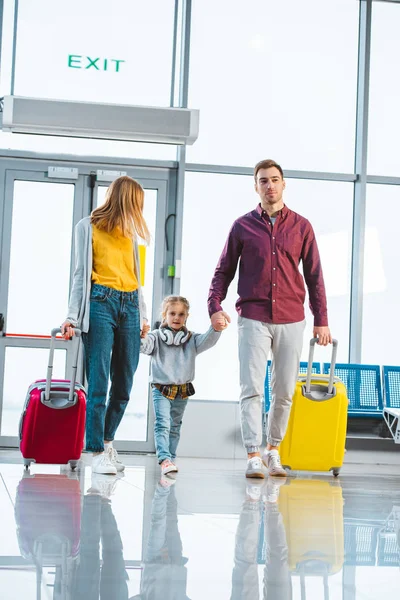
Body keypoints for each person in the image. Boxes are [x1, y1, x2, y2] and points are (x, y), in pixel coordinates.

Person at [208, 159, 332, 479]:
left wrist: (322, 320)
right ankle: (253, 453)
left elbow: (315, 275)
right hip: (253, 316)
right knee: (251, 387)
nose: (270, 185)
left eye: (275, 180)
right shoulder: (242, 226)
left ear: (284, 184)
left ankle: (273, 449)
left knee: (285, 389)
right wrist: (214, 304)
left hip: (292, 317)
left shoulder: (302, 226)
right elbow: (224, 270)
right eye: (263, 181)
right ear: (256, 186)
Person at [61, 176, 150, 475]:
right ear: (125, 198)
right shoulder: (87, 227)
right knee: (99, 383)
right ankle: (95, 450)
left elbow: (137, 280)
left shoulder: (131, 235)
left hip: (130, 307)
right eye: (136, 201)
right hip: (100, 303)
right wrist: (72, 317)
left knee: (124, 383)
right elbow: (79, 274)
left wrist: (144, 315)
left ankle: (107, 441)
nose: (139, 208)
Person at [140, 295, 223, 476]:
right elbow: (144, 348)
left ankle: (171, 457)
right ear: (165, 315)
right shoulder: (155, 337)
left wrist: (215, 329)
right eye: (172, 313)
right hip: (160, 388)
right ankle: (164, 459)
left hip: (182, 390)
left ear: (186, 317)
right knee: (163, 424)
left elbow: (208, 340)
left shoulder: (191, 339)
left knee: (175, 425)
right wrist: (143, 336)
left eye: (181, 314)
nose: (176, 318)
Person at [131, 478, 191, 600]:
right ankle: (170, 484)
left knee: (158, 523)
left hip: (154, 563)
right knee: (172, 520)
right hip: (175, 562)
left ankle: (163, 488)